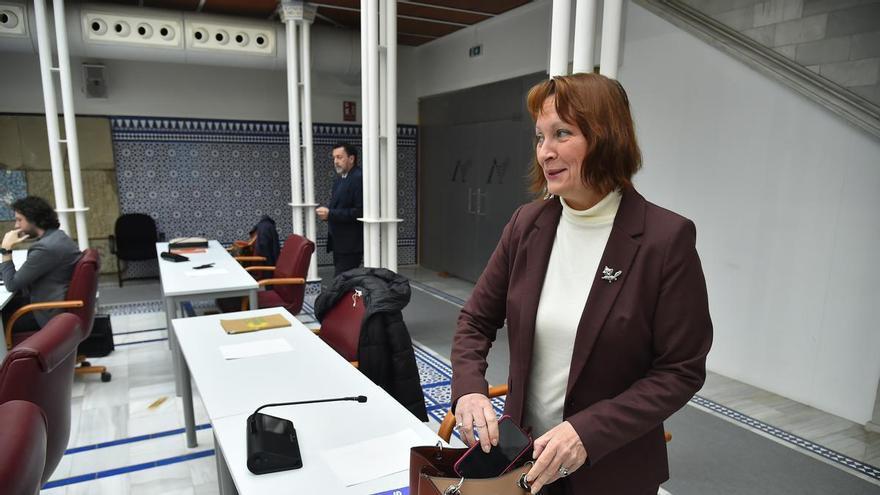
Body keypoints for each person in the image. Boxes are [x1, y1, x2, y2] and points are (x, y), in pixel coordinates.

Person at [450, 73, 713, 495]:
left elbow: (680, 369)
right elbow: (476, 320)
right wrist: (468, 391)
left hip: (610, 470)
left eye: (562, 134)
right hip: (525, 461)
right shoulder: (527, 224)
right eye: (539, 137)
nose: (544, 152)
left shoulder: (665, 239)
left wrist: (587, 433)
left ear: (606, 137)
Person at [1, 196, 82, 334]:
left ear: (34, 219)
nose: (16, 226)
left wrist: (5, 250)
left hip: (45, 316)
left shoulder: (45, 248)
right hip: (53, 308)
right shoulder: (58, 237)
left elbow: (12, 285)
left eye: (19, 220)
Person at [317, 142, 364, 277]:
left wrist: (330, 214)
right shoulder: (340, 179)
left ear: (351, 159)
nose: (335, 161)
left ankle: (356, 299)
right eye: (334, 158)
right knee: (343, 283)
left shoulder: (358, 178)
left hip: (351, 244)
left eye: (339, 157)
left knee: (341, 283)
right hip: (340, 242)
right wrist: (328, 214)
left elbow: (360, 212)